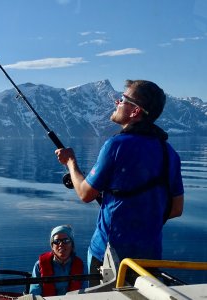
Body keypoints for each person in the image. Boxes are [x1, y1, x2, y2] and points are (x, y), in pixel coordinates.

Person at [55, 80, 184, 286]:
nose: (117, 101)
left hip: (109, 257)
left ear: (134, 111)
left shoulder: (115, 146)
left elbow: (85, 193)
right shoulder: (170, 154)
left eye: (122, 99)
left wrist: (70, 162)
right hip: (149, 257)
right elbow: (176, 209)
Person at [29, 225, 84, 296]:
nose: (61, 244)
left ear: (72, 244)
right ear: (52, 246)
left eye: (65, 240)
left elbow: (84, 293)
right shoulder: (39, 265)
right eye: (56, 241)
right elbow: (35, 293)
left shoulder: (81, 266)